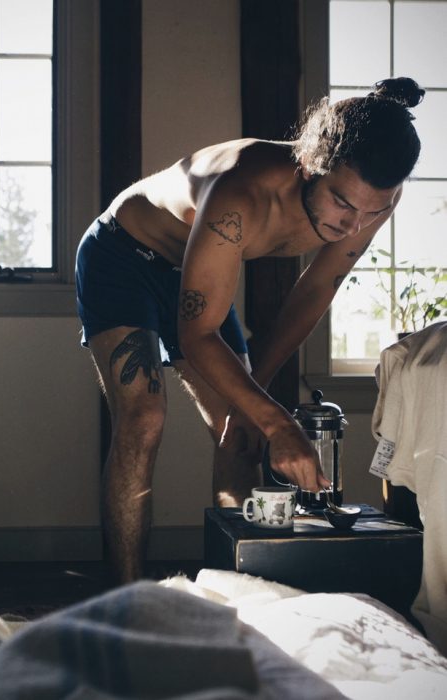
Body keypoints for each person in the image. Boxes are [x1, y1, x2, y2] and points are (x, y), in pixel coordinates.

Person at [75, 77, 424, 584]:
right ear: (309, 165)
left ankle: (238, 589)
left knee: (242, 436)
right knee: (144, 418)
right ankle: (128, 596)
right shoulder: (239, 193)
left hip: (198, 274)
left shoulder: (372, 198)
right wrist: (279, 421)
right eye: (343, 205)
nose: (354, 226)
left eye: (373, 212)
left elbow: (316, 287)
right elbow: (199, 334)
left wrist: (253, 404)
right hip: (122, 256)